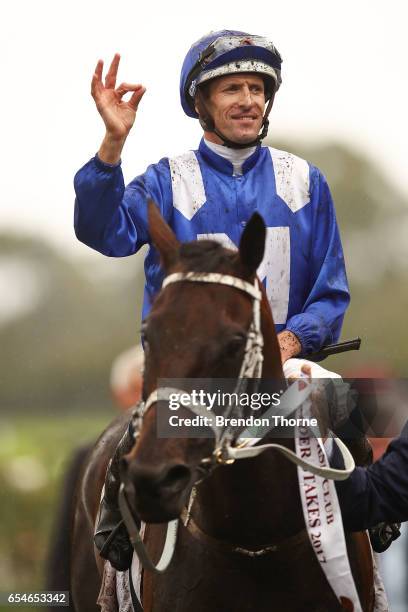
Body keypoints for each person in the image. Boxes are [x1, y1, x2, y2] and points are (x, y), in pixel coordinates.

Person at [74, 30, 351, 571]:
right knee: (125, 457)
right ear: (202, 103)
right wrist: (112, 147)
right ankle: (115, 579)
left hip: (281, 374)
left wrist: (292, 338)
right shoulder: (163, 179)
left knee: (350, 411)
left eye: (256, 88)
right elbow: (101, 232)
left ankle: (370, 565)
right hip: (188, 382)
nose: (248, 99)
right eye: (231, 89)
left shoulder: (306, 181)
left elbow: (330, 291)